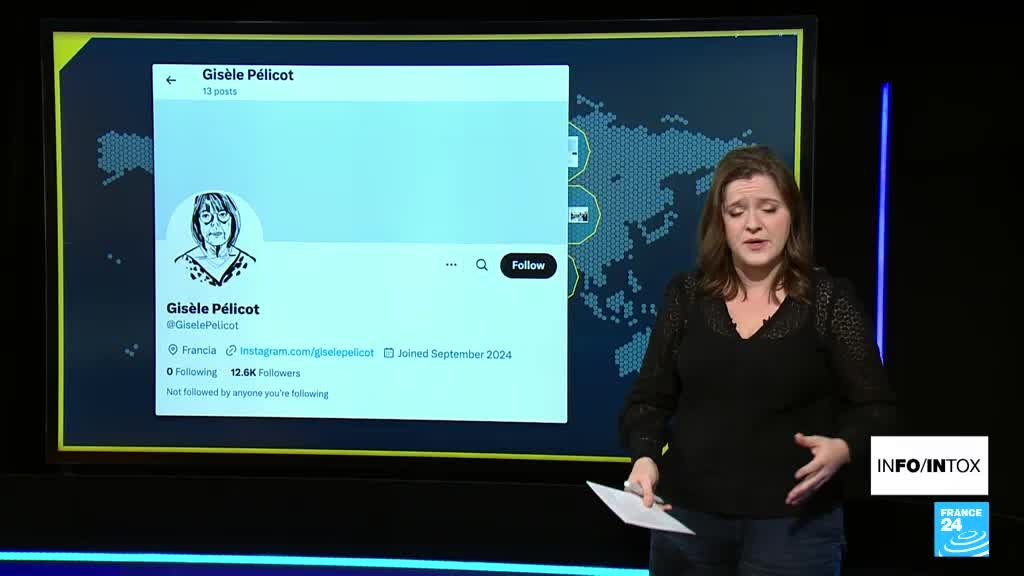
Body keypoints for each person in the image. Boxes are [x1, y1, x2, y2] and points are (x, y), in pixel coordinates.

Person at [618, 145, 898, 575]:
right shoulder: (686, 295)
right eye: (737, 212)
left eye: (769, 209)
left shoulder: (829, 300)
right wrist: (645, 457)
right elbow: (648, 401)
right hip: (687, 521)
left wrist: (843, 448)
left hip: (794, 528)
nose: (753, 224)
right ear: (721, 223)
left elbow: (876, 409)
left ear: (791, 217)